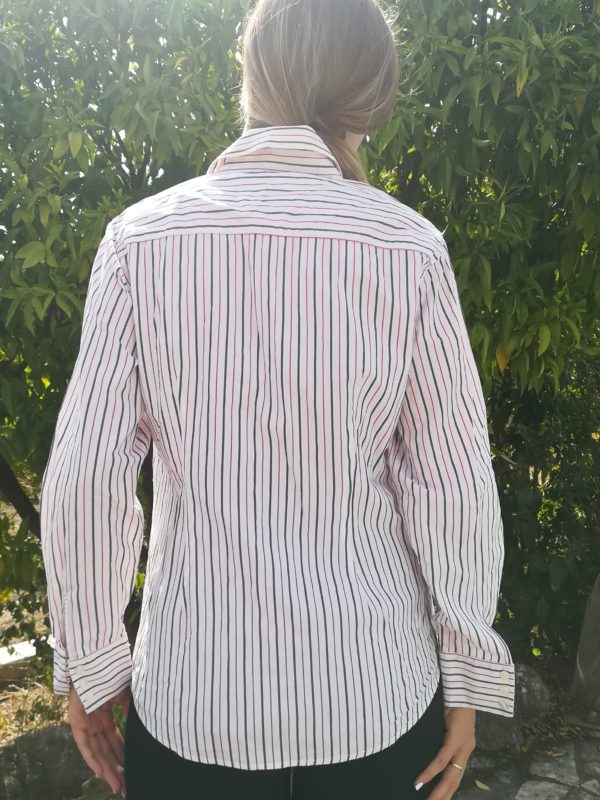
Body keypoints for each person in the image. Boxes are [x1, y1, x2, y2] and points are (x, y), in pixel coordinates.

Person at [39, 0, 516, 798]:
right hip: (373, 699)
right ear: (370, 100)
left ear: (252, 80)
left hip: (193, 707)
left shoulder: (138, 242)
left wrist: (89, 664)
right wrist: (466, 676)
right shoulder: (409, 249)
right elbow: (452, 483)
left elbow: (86, 480)